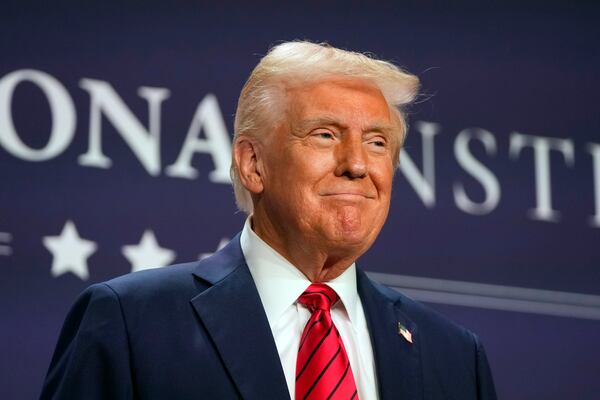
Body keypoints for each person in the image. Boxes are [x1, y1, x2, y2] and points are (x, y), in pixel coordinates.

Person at [40, 41, 497, 400]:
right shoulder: (131, 323)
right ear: (253, 164)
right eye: (325, 135)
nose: (357, 164)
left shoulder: (453, 357)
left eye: (377, 143)